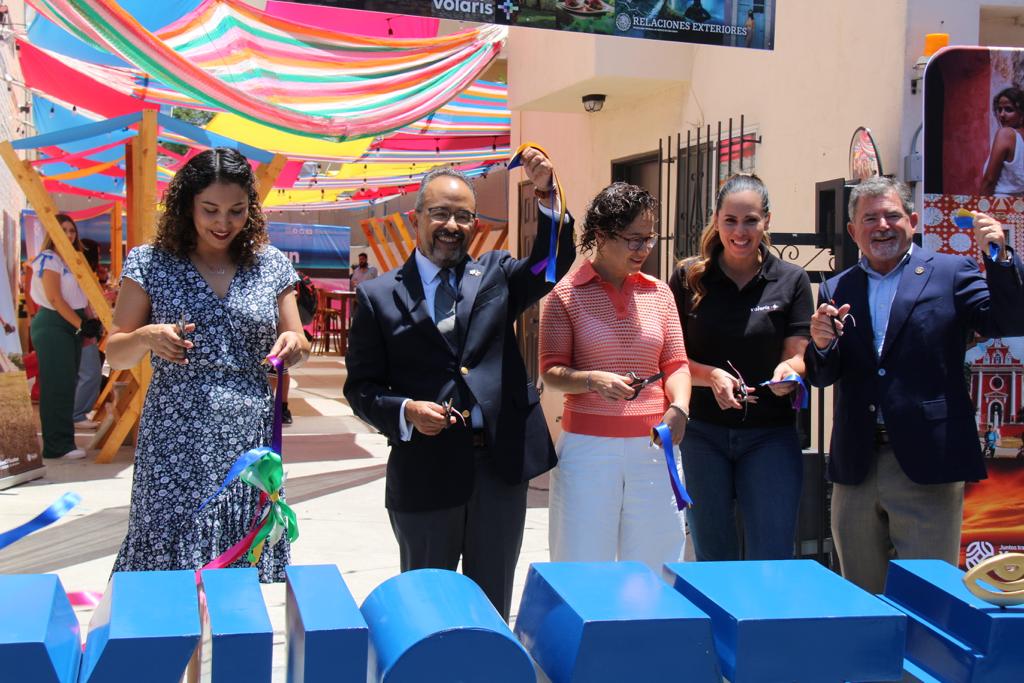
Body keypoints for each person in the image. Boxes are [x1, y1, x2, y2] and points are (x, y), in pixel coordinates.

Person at [344, 150, 576, 620]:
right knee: (428, 610)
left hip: (499, 468)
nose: (451, 225)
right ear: (416, 218)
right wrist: (405, 411)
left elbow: (551, 263)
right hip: (424, 474)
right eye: (440, 213)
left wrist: (548, 195)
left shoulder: (497, 275)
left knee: (491, 608)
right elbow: (361, 388)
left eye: (464, 216)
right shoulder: (377, 296)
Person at [806, 176, 1024, 594]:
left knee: (930, 597)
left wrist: (999, 256)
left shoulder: (951, 272)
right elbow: (823, 375)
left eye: (892, 215)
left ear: (913, 220)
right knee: (862, 597)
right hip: (857, 465)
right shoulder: (837, 287)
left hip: (929, 463)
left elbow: (1009, 321)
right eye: (870, 218)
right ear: (852, 230)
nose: (882, 226)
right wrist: (820, 345)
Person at [107, 148, 309, 582]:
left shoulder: (271, 264)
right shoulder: (150, 262)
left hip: (248, 440)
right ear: (187, 205)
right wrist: (145, 337)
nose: (223, 223)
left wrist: (294, 343)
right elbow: (115, 351)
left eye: (236, 210)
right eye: (210, 210)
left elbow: (300, 342)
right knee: (169, 570)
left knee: (241, 560)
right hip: (174, 439)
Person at [539, 182, 691, 573]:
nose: (644, 249)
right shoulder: (564, 296)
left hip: (654, 447)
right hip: (588, 450)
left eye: (649, 239)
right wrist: (593, 380)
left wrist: (679, 408)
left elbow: (676, 364)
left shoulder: (660, 294)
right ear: (602, 236)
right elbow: (551, 371)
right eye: (634, 239)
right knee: (581, 566)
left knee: (658, 567)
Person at [668, 174, 813, 561]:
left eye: (750, 220)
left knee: (772, 556)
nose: (740, 232)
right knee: (713, 556)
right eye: (730, 220)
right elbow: (670, 358)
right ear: (716, 220)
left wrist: (789, 372)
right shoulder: (688, 278)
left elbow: (798, 354)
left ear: (767, 220)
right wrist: (710, 376)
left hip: (770, 436)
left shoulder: (792, 280)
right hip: (702, 436)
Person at [29, 214, 100, 460]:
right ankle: (57, 445)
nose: (69, 234)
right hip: (54, 324)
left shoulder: (73, 259)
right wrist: (82, 324)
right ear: (53, 232)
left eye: (72, 230)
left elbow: (81, 296)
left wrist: (89, 321)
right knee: (56, 386)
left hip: (72, 323)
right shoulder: (48, 258)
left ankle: (63, 442)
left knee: (67, 384)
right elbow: (55, 298)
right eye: (64, 230)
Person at [981, 87, 1024, 196]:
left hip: (998, 202)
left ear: (1022, 113)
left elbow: (989, 180)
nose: (1001, 114)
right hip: (1017, 204)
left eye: (1008, 109)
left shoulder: (1006, 134)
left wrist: (980, 204)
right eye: (999, 109)